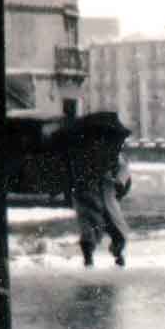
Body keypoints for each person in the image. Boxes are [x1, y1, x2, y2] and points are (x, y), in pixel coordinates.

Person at [62, 113, 133, 268]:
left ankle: (117, 255)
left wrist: (118, 182)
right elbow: (75, 174)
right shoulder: (82, 154)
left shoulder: (113, 154)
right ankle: (89, 257)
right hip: (87, 194)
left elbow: (123, 170)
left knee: (115, 228)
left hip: (106, 195)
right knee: (90, 226)